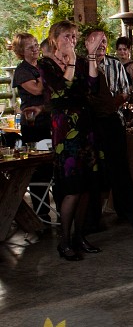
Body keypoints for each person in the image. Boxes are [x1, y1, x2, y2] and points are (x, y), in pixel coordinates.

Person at [37, 21, 103, 260]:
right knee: (72, 188)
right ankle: (64, 240)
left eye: (75, 37)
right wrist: (73, 60)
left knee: (86, 187)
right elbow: (63, 89)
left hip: (87, 128)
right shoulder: (45, 64)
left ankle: (79, 236)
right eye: (67, 36)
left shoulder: (81, 61)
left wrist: (92, 56)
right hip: (65, 131)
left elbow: (92, 87)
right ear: (55, 39)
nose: (72, 41)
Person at [84, 28, 133, 241]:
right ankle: (90, 222)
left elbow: (126, 92)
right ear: (87, 43)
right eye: (97, 41)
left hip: (113, 124)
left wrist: (111, 104)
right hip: (89, 127)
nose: (102, 44)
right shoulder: (79, 65)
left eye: (104, 41)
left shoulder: (115, 65)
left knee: (121, 173)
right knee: (91, 174)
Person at [12, 32, 54, 223]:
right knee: (40, 166)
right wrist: (49, 80)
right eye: (30, 47)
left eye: (36, 44)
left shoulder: (42, 66)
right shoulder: (22, 71)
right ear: (22, 51)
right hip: (35, 125)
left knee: (53, 163)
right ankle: (42, 210)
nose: (36, 48)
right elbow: (37, 89)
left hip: (51, 120)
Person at [115, 36, 133, 128]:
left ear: (129, 50)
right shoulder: (115, 64)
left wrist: (127, 90)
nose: (122, 52)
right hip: (118, 99)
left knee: (130, 126)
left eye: (124, 49)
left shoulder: (132, 66)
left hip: (131, 100)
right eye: (120, 49)